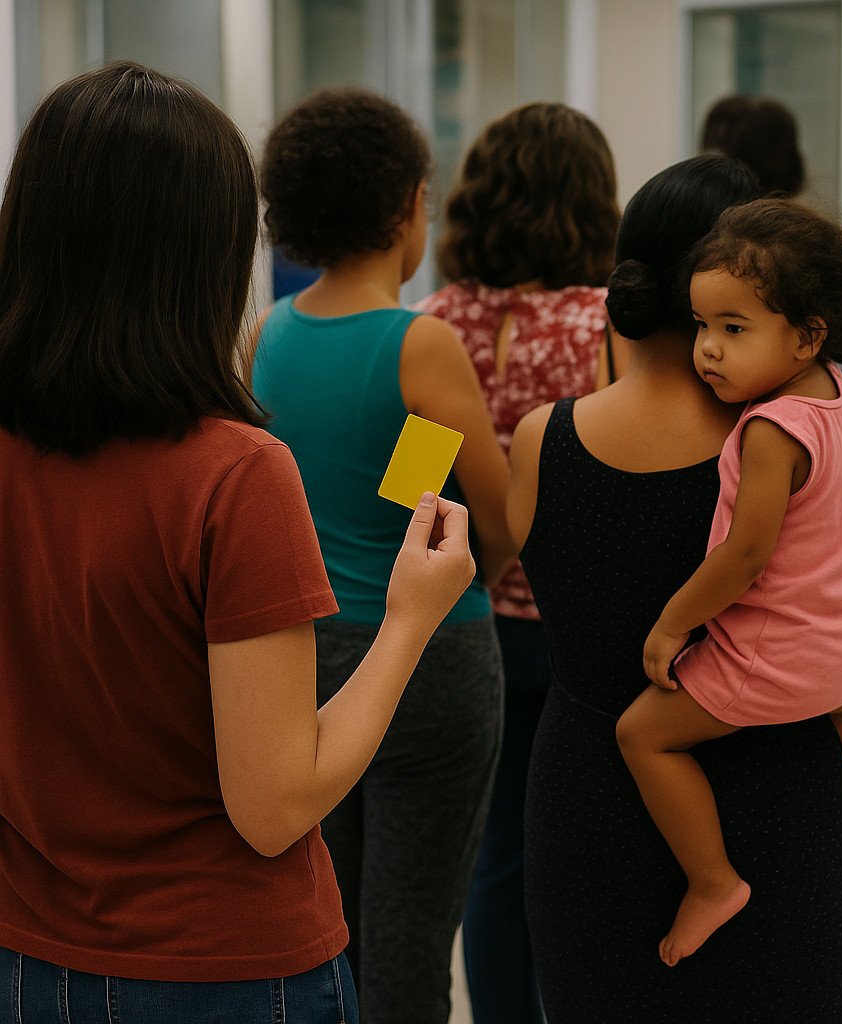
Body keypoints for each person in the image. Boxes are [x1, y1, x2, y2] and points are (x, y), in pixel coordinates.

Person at [0, 62, 475, 1024]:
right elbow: (274, 808)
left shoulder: (268, 353)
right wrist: (410, 620)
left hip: (29, 950)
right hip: (219, 966)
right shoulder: (236, 470)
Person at [509, 155, 842, 1022]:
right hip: (783, 809)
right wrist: (821, 693)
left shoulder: (540, 441)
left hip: (592, 806)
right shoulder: (803, 452)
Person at [250, 88, 516, 1024]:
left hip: (308, 659)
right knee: (410, 936)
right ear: (406, 205)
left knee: (336, 926)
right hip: (426, 667)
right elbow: (494, 521)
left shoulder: (268, 335)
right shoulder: (418, 343)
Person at [617, 197, 842, 965]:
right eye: (702, 325)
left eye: (734, 330)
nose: (708, 349)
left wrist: (674, 621)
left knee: (641, 736)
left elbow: (744, 557)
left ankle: (712, 882)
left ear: (807, 334)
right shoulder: (841, 396)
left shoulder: (773, 428)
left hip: (774, 658)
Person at [417, 101, 619, 1024]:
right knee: (579, 858)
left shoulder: (434, 321)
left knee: (491, 859)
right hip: (575, 621)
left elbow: (414, 486)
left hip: (463, 618)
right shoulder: (605, 326)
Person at [701, 93, 842, 947]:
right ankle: (841, 889)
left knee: (492, 856)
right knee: (827, 741)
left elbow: (439, 478)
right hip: (818, 636)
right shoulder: (819, 337)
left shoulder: (437, 330)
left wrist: (487, 563)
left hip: (447, 611)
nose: (707, 348)